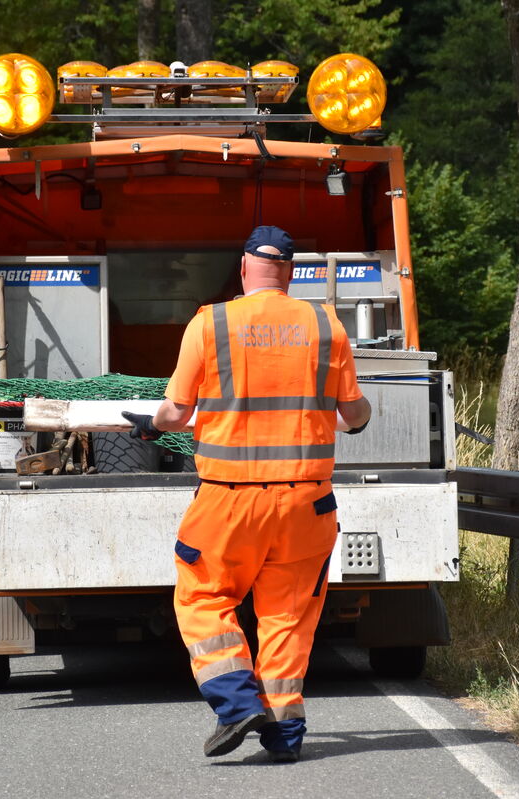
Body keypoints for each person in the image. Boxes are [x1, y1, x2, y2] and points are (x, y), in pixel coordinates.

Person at [123, 225, 371, 763]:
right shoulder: (326, 326)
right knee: (287, 618)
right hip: (307, 504)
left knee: (204, 598)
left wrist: (151, 425)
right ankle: (283, 736)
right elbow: (355, 415)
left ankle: (236, 706)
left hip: (228, 500)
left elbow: (176, 412)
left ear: (242, 269)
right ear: (290, 272)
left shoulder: (209, 323)